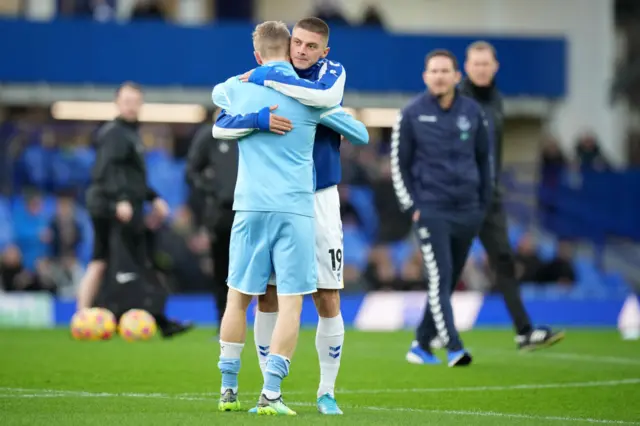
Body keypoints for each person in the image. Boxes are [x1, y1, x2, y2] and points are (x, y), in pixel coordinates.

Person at [210, 20, 368, 416]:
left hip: (316, 199)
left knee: (326, 296)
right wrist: (259, 112)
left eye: (311, 46)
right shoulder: (268, 90)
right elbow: (221, 117)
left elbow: (357, 130)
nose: (302, 51)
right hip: (286, 202)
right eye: (297, 43)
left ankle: (325, 390)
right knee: (269, 297)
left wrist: (265, 80)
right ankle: (269, 388)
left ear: (323, 52)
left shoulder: (324, 85)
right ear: (288, 44)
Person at [459, 40, 565, 351]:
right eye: (475, 63)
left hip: (490, 197)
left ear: (495, 67)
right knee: (448, 267)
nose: (480, 68)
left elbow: (496, 148)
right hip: (462, 196)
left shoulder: (496, 100)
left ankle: (524, 331)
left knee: (504, 260)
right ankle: (424, 337)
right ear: (466, 67)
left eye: (485, 63)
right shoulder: (456, 101)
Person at [391, 49, 492, 367]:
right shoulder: (410, 113)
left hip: (468, 210)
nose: (439, 76)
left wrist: (483, 205)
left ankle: (420, 345)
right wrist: (412, 207)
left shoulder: (473, 112)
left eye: (445, 71)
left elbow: (484, 161)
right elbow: (399, 165)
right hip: (430, 209)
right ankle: (454, 346)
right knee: (440, 277)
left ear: (456, 76)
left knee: (446, 281)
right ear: (425, 77)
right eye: (433, 71)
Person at [77, 82, 190, 337]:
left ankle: (84, 315)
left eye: (135, 101)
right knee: (117, 262)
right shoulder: (115, 133)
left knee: (101, 261)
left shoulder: (129, 133)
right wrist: (119, 200)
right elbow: (107, 170)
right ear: (117, 103)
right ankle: (88, 315)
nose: (131, 106)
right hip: (110, 207)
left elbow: (133, 178)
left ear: (140, 104)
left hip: (117, 204)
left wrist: (154, 197)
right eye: (126, 101)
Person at [186, 108, 293, 333]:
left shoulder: (253, 133)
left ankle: (267, 320)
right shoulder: (211, 135)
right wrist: (213, 190)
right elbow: (191, 172)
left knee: (263, 265)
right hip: (222, 212)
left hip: (256, 209)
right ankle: (223, 322)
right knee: (223, 268)